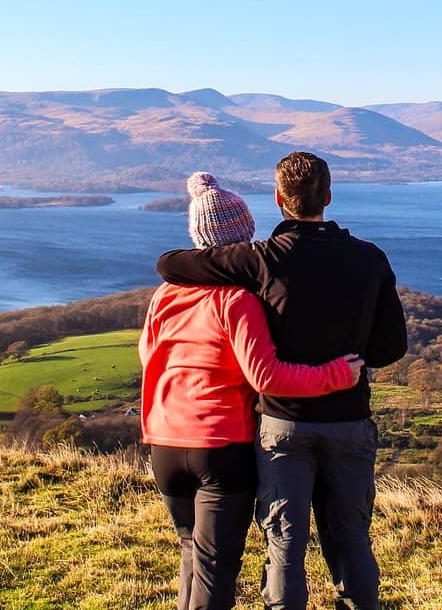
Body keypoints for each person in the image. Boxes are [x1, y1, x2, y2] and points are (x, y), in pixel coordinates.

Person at [156, 151, 408, 610]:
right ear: (328, 197)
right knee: (351, 538)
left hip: (282, 427)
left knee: (286, 545)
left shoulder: (261, 260)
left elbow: (171, 265)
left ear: (278, 199)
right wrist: (348, 360)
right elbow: (392, 348)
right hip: (349, 419)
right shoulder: (370, 259)